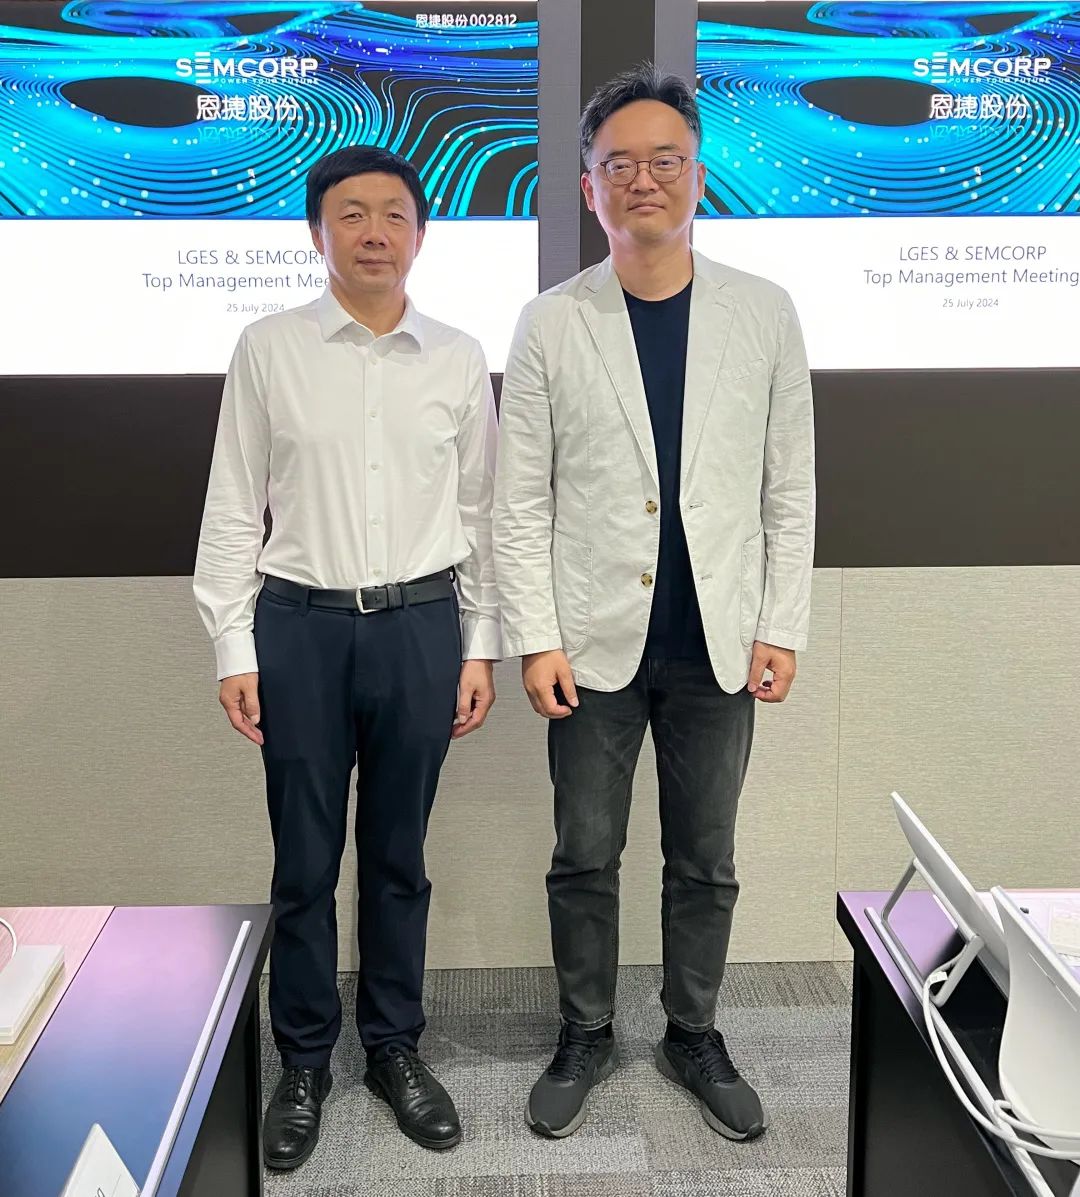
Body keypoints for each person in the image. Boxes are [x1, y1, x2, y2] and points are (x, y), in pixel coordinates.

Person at [493, 63, 815, 1142]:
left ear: (698, 176)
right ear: (588, 187)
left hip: (720, 640)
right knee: (584, 854)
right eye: (619, 164)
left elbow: (789, 487)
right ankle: (586, 1030)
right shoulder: (551, 321)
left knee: (705, 861)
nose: (643, 179)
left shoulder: (764, 313)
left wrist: (781, 625)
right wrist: (534, 638)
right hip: (590, 644)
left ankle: (692, 1031)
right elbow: (520, 499)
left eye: (664, 160)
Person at [194, 145, 499, 1168]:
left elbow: (481, 515)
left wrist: (480, 645)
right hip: (300, 629)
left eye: (394, 214)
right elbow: (232, 507)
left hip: (420, 627)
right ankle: (304, 1060)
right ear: (316, 233)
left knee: (400, 857)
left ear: (420, 234)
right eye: (352, 214)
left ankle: (393, 1047)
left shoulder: (456, 357)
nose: (375, 232)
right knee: (305, 862)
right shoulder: (268, 348)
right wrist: (233, 644)